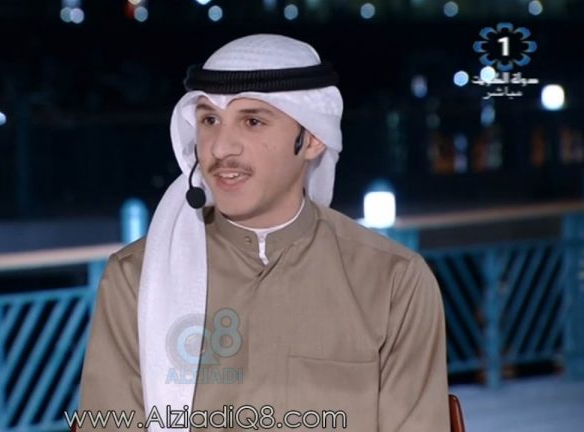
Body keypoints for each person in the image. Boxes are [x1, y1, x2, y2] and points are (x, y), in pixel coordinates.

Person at [77, 34, 450, 432]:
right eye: (209, 120)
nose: (220, 148)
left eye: (252, 121)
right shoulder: (136, 279)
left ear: (312, 138)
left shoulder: (394, 282)